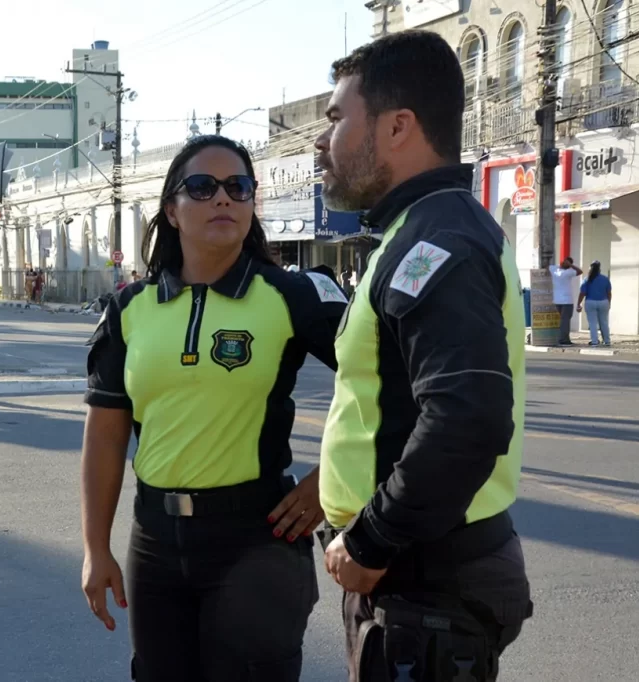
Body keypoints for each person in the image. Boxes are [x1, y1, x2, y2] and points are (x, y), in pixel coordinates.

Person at [80, 134, 348, 681]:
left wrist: (332, 481)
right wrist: (95, 547)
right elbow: (105, 437)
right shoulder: (129, 309)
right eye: (202, 187)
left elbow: (388, 383)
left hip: (255, 540)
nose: (223, 198)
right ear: (171, 211)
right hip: (154, 540)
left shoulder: (292, 295)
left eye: (238, 186)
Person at [312, 31, 533, 682]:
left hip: (422, 587)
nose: (322, 144)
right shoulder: (415, 233)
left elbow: (468, 416)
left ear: (397, 126)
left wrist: (374, 538)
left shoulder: (436, 243)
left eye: (336, 120)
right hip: (412, 583)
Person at [577, 260, 612, 346]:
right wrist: (609, 302)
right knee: (604, 322)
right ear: (599, 268)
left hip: (590, 302)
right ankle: (607, 341)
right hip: (604, 302)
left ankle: (594, 341)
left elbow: (582, 293)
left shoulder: (587, 279)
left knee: (592, 323)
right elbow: (609, 293)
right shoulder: (605, 279)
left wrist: (578, 303)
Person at [550, 256, 583, 345]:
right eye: (565, 261)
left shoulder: (566, 271)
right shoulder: (558, 269)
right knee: (565, 321)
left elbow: (580, 272)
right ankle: (564, 339)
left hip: (561, 300)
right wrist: (571, 265)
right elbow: (580, 271)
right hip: (565, 301)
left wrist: (570, 265)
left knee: (563, 320)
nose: (564, 263)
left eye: (566, 262)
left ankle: (563, 338)